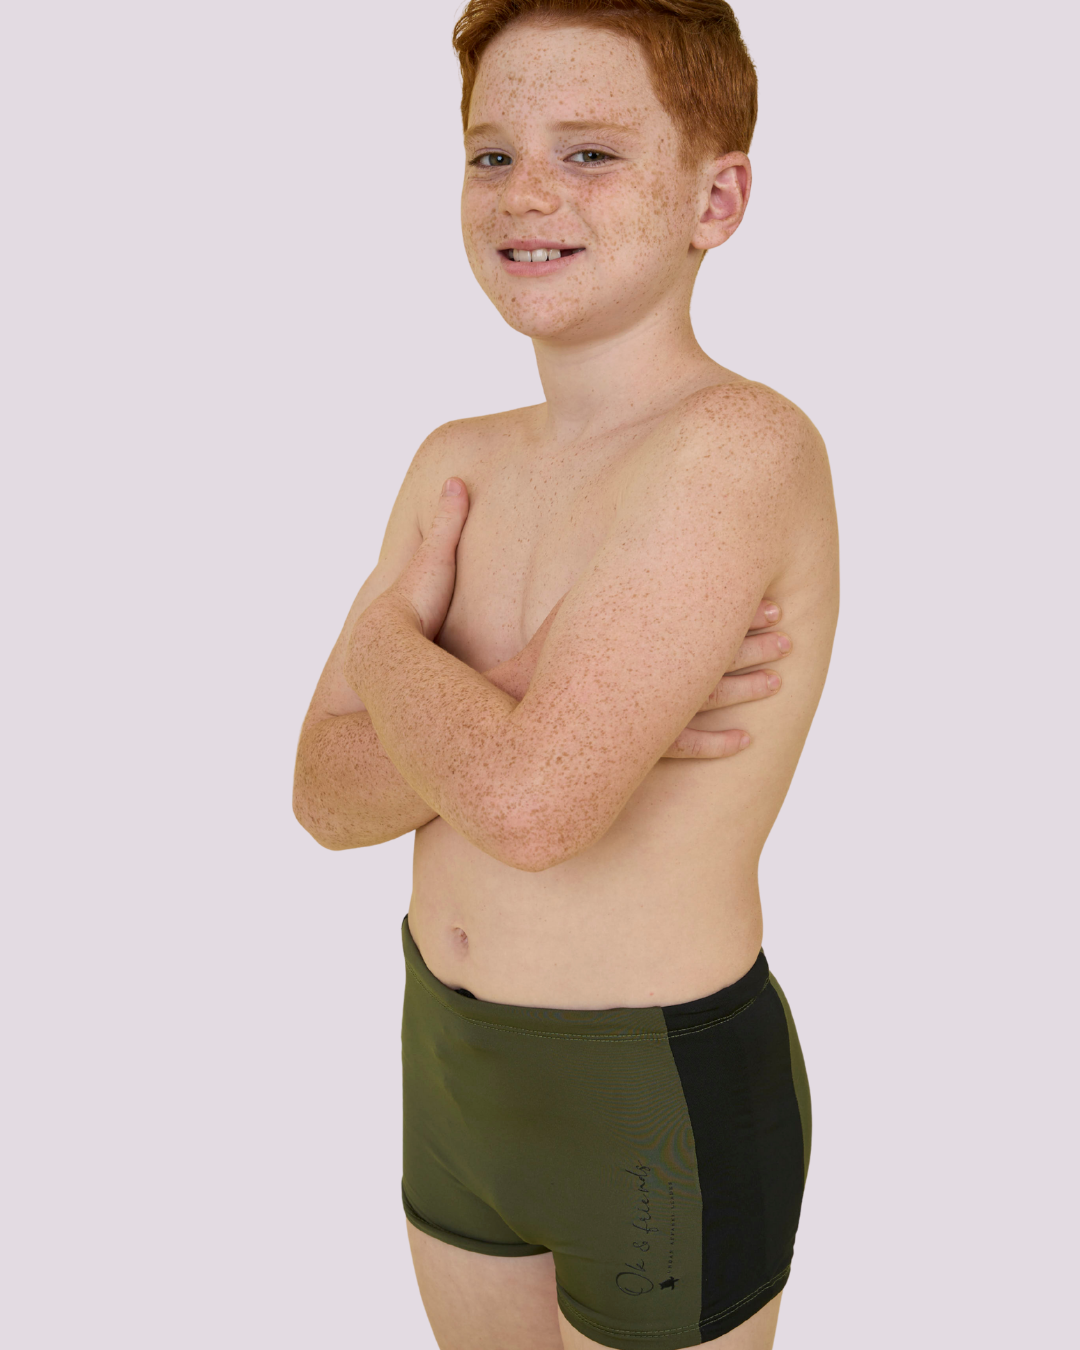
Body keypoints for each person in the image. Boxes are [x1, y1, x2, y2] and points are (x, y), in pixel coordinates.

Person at [293, 2, 839, 1346]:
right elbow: (322, 794)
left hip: (648, 1088)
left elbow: (537, 809)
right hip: (451, 1070)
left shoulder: (739, 444)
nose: (527, 192)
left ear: (716, 198)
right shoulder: (456, 457)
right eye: (493, 154)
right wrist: (521, 697)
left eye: (590, 152)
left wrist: (393, 648)